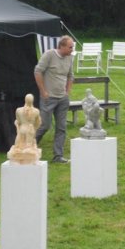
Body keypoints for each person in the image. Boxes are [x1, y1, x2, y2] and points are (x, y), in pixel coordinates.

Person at [34, 35, 74, 163]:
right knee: (44, 125)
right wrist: (43, 91)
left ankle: (58, 156)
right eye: (70, 47)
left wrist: (67, 92)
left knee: (61, 128)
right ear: (61, 46)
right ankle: (28, 147)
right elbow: (37, 71)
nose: (72, 49)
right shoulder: (49, 55)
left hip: (62, 99)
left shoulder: (70, 58)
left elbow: (70, 76)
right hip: (48, 98)